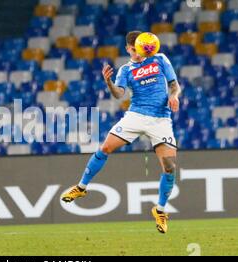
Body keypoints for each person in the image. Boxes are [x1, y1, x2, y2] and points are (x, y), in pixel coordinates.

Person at [61, 31, 181, 234]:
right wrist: (108, 83)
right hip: (135, 115)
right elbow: (119, 94)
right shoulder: (125, 70)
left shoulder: (159, 59)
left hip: (161, 118)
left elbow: (174, 85)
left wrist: (174, 96)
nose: (139, 52)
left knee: (169, 167)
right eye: (135, 49)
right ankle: (81, 188)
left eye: (142, 48)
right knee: (105, 147)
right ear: (128, 49)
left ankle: (160, 210)